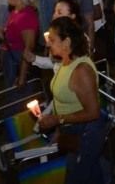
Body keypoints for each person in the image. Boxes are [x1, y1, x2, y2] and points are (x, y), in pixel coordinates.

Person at [38, 16, 106, 184]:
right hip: (71, 130)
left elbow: (93, 112)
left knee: (78, 176)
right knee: (90, 173)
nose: (48, 44)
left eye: (52, 40)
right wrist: (60, 130)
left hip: (85, 132)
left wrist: (57, 120)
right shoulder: (65, 61)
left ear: (66, 41)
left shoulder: (81, 70)